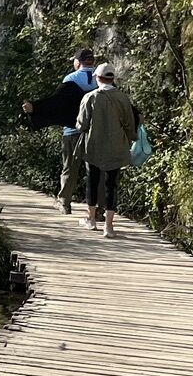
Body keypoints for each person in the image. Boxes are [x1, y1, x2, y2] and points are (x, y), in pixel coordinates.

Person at [20, 47, 100, 213]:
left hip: (72, 131)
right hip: (96, 131)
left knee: (69, 168)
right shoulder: (101, 78)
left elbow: (56, 103)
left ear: (78, 62)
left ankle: (64, 203)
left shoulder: (71, 79)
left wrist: (35, 108)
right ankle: (97, 209)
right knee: (95, 169)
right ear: (92, 61)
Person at [75, 62, 139, 238]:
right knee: (112, 184)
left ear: (97, 78)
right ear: (112, 78)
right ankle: (109, 226)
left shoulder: (90, 97)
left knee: (92, 182)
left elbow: (81, 125)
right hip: (116, 145)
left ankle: (91, 219)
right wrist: (131, 138)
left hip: (93, 146)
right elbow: (129, 124)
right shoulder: (122, 98)